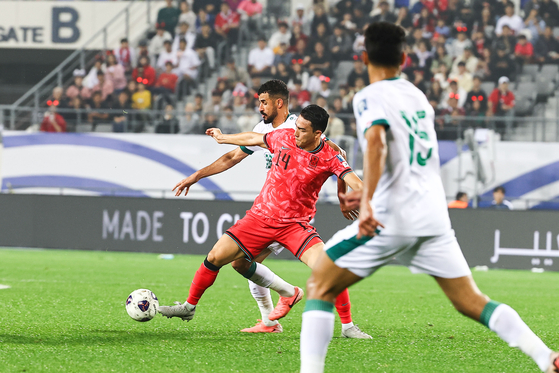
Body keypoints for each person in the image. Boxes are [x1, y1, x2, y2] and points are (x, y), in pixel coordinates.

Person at [299, 21, 559, 373]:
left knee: (319, 284)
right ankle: (546, 357)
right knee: (471, 301)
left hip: (392, 216)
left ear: (363, 58)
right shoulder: (417, 95)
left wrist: (368, 199)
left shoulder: (369, 97)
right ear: (404, 58)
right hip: (433, 215)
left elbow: (375, 142)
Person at [163, 80, 369, 339]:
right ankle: (189, 307)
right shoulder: (283, 135)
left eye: (302, 130)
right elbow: (253, 139)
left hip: (295, 224)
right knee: (220, 257)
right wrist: (223, 138)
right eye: (296, 129)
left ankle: (347, 326)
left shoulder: (327, 153)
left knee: (327, 267)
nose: (295, 133)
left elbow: (350, 175)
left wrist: (354, 198)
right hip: (261, 217)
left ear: (317, 134)